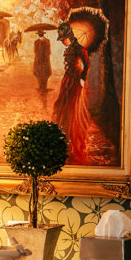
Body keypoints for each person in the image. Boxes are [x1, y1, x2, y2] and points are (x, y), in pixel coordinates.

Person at [52, 22, 98, 165]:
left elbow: (87, 65)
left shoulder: (80, 49)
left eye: (63, 39)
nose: (63, 42)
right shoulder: (69, 48)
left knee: (73, 108)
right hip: (68, 79)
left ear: (69, 37)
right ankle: (63, 135)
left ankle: (72, 136)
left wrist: (83, 79)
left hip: (77, 79)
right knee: (62, 105)